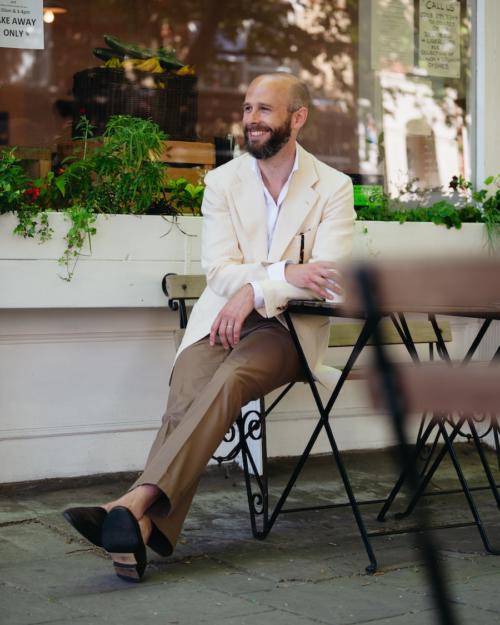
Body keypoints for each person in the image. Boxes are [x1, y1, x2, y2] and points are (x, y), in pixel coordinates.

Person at [63, 72, 356, 582]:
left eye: (264, 109)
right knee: (185, 391)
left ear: (298, 117)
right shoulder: (222, 182)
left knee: (232, 379)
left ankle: (132, 503)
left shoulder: (333, 187)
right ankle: (137, 531)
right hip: (222, 320)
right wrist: (282, 274)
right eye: (247, 109)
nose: (251, 120)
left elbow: (327, 278)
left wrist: (259, 289)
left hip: (287, 333)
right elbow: (221, 271)